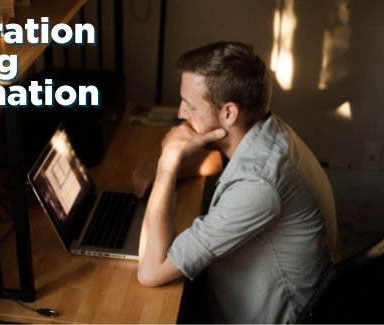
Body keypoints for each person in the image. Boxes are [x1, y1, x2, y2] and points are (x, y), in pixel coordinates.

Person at [134, 41, 340, 324]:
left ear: (229, 113)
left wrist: (167, 164)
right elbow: (224, 161)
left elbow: (150, 272)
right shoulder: (267, 130)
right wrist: (175, 169)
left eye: (190, 105)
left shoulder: (258, 184)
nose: (180, 113)